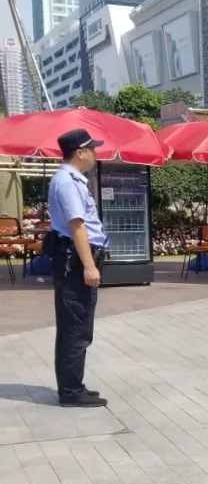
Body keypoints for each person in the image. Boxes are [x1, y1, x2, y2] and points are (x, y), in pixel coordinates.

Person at [49, 128, 109, 408]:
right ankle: (71, 392)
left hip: (72, 260)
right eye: (92, 149)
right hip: (74, 263)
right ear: (80, 152)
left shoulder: (69, 180)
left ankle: (72, 385)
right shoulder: (68, 182)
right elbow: (77, 225)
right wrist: (89, 265)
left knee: (74, 326)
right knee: (77, 327)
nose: (95, 154)